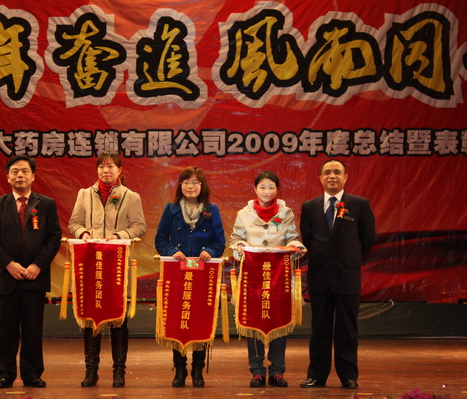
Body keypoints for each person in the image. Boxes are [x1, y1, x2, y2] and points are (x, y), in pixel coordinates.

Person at [68, 150, 146, 388]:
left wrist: (119, 236)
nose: (106, 170)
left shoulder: (131, 197)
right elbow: (74, 223)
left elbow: (139, 227)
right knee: (90, 319)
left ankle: (118, 372)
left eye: (111, 166)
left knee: (118, 319)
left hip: (117, 265)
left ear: (119, 170)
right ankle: (91, 371)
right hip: (90, 263)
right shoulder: (84, 194)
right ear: (97, 170)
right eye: (102, 166)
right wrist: (83, 233)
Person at [0, 155, 61, 389]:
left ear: (33, 176)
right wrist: (9, 264)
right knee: (4, 331)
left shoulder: (46, 204)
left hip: (34, 277)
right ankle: (4, 374)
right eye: (15, 171)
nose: (20, 175)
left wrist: (37, 265)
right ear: (7, 177)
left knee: (32, 330)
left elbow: (53, 238)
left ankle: (32, 373)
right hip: (6, 277)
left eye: (25, 171)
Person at [299, 159, 376, 390]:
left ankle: (348, 376)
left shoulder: (359, 204)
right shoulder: (309, 206)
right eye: (327, 173)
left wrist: (348, 259)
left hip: (347, 276)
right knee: (319, 329)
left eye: (337, 172)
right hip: (319, 276)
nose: (332, 176)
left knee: (347, 330)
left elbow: (368, 239)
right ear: (320, 178)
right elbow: (308, 238)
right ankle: (316, 376)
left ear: (345, 177)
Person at [230, 171, 306, 388]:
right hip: (253, 276)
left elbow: (292, 237)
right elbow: (236, 239)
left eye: (271, 187)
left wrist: (296, 247)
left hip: (279, 276)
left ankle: (277, 371)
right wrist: (240, 248)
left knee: (279, 321)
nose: (266, 191)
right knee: (253, 322)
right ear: (255, 189)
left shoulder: (286, 212)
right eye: (262, 187)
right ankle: (256, 371)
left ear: (277, 190)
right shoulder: (243, 213)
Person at [155, 166, 226, 388]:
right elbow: (160, 239)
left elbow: (220, 242)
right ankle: (179, 369)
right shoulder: (171, 209)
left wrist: (211, 252)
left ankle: (197, 369)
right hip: (177, 273)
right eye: (186, 182)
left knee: (200, 319)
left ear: (202, 186)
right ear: (180, 185)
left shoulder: (211, 210)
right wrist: (171, 252)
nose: (190, 186)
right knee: (179, 319)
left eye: (195, 182)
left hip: (203, 274)